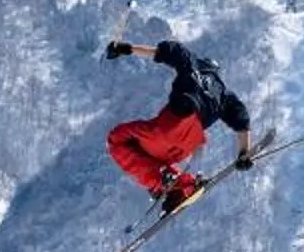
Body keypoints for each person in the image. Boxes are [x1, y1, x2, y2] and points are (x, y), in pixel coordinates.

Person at [101, 35, 257, 214]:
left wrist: (125, 48)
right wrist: (244, 153)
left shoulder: (193, 64)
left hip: (173, 122)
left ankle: (162, 181)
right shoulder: (225, 96)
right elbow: (242, 121)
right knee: (149, 157)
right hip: (189, 143)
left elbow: (165, 51)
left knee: (117, 140)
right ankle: (179, 189)